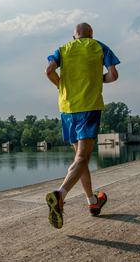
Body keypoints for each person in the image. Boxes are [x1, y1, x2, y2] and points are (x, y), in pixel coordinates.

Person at [44, 22, 120, 229]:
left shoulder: (62, 49)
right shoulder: (99, 46)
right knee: (82, 158)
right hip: (88, 107)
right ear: (91, 34)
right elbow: (113, 75)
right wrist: (96, 80)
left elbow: (49, 71)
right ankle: (60, 195)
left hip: (67, 108)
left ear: (74, 36)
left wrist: (63, 85)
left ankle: (93, 202)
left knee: (80, 159)